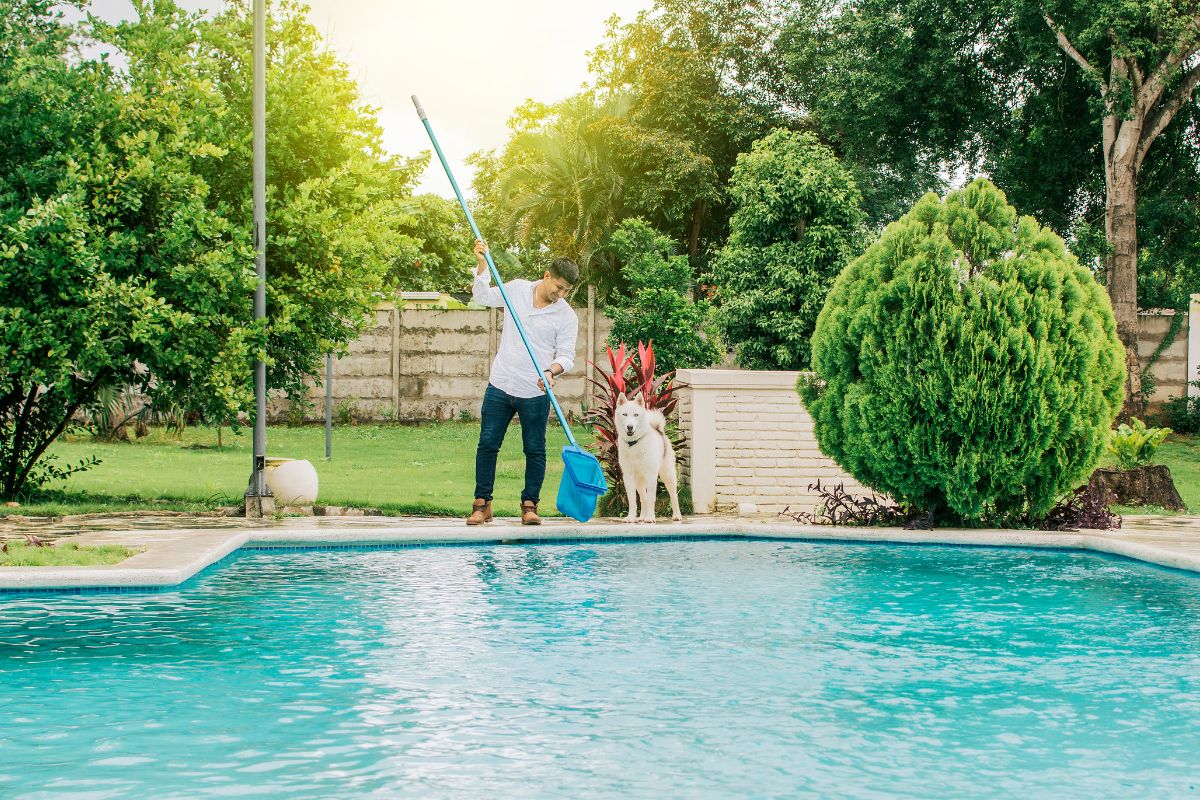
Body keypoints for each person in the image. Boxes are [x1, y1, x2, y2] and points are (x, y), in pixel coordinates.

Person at [467, 239, 580, 526]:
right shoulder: (515, 290)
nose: (560, 294)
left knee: (535, 449)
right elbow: (482, 297)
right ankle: (482, 504)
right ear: (546, 276)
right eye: (558, 286)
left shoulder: (566, 315)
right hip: (501, 383)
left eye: (566, 290)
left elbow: (566, 355)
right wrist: (482, 262)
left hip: (535, 391)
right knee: (488, 445)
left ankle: (530, 506)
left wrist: (551, 371)